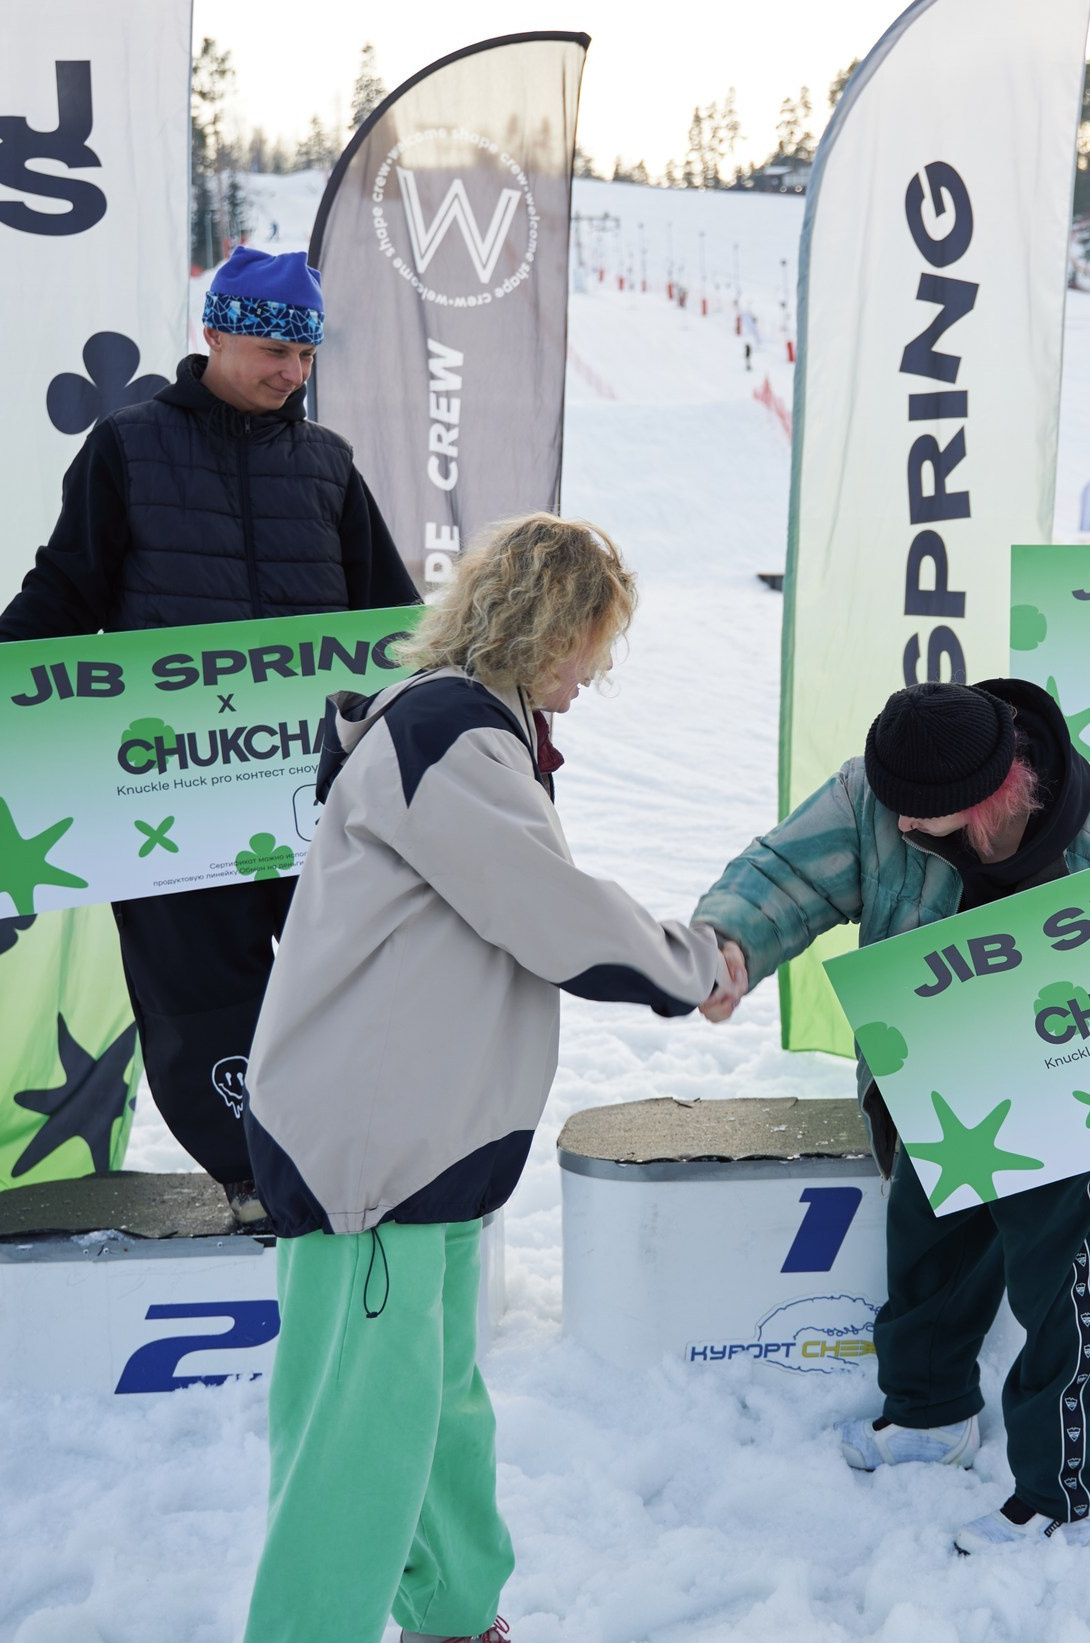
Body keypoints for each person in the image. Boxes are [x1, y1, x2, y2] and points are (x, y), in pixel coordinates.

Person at [237, 514, 737, 1643]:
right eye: (586, 647)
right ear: (540, 626)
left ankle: (457, 1613)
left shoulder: (476, 732)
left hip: (432, 1143)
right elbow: (550, 914)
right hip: (371, 1147)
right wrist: (693, 966)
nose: (591, 676)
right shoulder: (450, 737)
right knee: (353, 1445)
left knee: (438, 1410)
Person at [0, 246, 417, 1222]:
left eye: (305, 357)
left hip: (317, 785)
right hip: (171, 793)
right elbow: (64, 591)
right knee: (201, 992)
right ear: (214, 332)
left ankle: (361, 1153)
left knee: (348, 973)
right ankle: (250, 1179)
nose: (291, 374)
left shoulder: (328, 465)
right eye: (272, 349)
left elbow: (390, 618)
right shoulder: (129, 448)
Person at [694, 679, 1090, 1553]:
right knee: (929, 1243)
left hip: (1071, 1092)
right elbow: (787, 870)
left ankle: (1070, 1498)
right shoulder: (879, 793)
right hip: (940, 1067)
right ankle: (930, 1414)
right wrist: (730, 941)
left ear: (992, 796)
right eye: (896, 812)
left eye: (923, 819)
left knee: (1059, 1288)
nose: (902, 827)